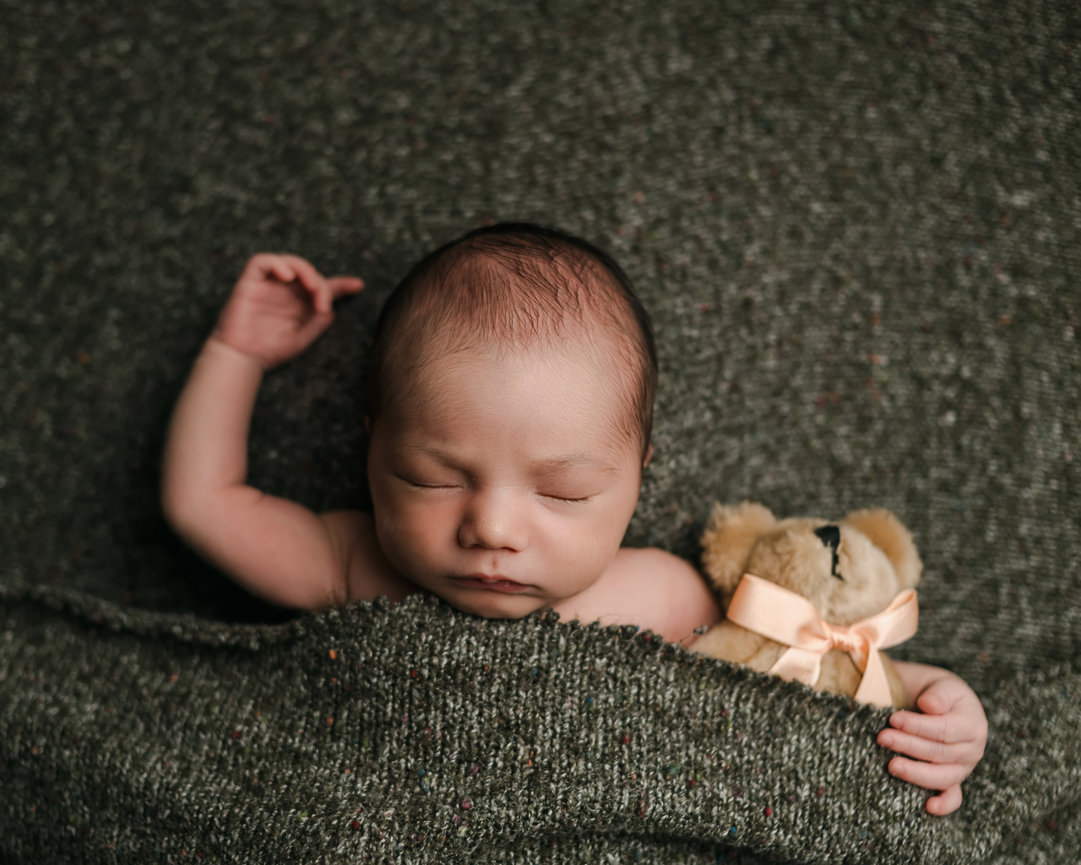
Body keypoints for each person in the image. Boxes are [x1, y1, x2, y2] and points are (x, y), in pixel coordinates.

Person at [161, 222, 986, 815]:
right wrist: (236, 356)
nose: (491, 527)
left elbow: (812, 668)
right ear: (371, 452)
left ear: (635, 478)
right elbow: (204, 504)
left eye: (560, 494)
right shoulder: (350, 561)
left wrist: (939, 700)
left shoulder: (665, 597)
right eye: (431, 477)